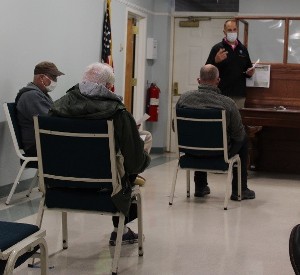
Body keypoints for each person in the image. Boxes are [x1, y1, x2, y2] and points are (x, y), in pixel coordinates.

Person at [49, 62, 151, 245]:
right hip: (107, 187)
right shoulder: (118, 113)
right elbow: (135, 163)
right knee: (135, 154)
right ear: (109, 87)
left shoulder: (56, 108)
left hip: (61, 184)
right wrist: (144, 159)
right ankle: (122, 225)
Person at [176, 64, 255, 201]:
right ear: (218, 81)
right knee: (243, 138)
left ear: (198, 80)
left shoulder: (184, 99)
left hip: (191, 152)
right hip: (219, 153)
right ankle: (239, 190)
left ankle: (200, 186)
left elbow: (174, 126)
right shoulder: (227, 103)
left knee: (199, 137)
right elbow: (238, 134)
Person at [15, 61, 65, 156]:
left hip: (44, 142)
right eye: (53, 77)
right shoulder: (31, 96)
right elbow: (49, 121)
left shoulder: (40, 94)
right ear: (41, 77)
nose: (55, 81)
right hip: (37, 146)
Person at [206, 19, 255, 109]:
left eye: (234, 29)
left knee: (237, 121)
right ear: (224, 32)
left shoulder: (243, 49)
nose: (232, 32)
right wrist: (215, 61)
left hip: (239, 95)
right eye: (229, 30)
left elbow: (248, 68)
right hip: (221, 94)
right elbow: (207, 71)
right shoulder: (217, 48)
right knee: (223, 121)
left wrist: (250, 73)